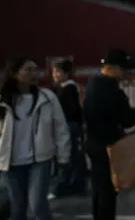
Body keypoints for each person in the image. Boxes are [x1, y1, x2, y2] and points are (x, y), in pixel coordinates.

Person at [0, 57, 71, 220]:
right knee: (17, 209)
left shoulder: (47, 98)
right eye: (28, 69)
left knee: (38, 205)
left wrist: (63, 156)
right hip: (10, 163)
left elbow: (60, 128)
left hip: (39, 161)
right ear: (14, 73)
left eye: (35, 69)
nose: (34, 73)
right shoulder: (3, 100)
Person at [83, 49, 135, 220]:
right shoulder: (112, 91)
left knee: (98, 189)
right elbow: (128, 120)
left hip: (92, 142)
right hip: (108, 146)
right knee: (108, 191)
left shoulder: (91, 84)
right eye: (123, 69)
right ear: (111, 68)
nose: (125, 74)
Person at [49, 59, 87, 199]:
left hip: (69, 126)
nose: (55, 75)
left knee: (70, 157)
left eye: (58, 71)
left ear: (66, 73)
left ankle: (68, 185)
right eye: (54, 72)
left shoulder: (69, 88)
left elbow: (73, 110)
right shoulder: (65, 88)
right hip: (68, 125)